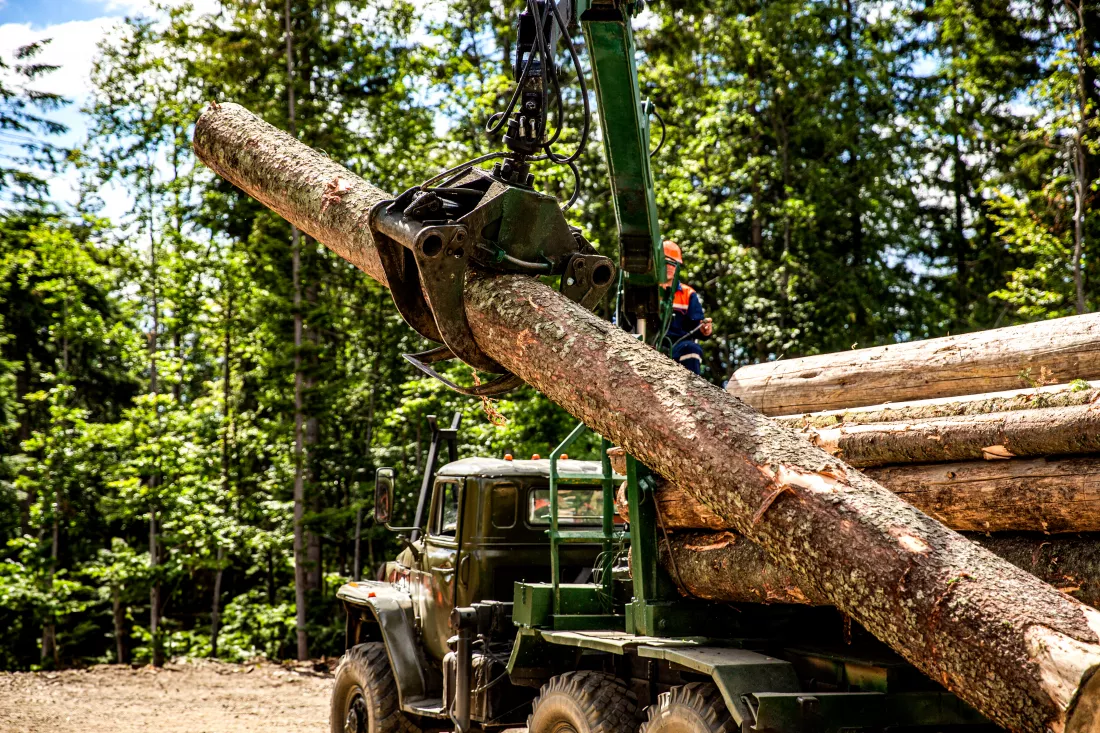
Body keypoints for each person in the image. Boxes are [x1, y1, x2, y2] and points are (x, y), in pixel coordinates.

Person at [662, 240, 712, 374]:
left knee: (692, 350)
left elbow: (696, 326)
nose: (669, 266)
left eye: (673, 262)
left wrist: (704, 330)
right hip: (651, 344)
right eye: (666, 261)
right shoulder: (646, 290)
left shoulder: (688, 294)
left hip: (678, 346)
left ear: (678, 265)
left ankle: (691, 392)